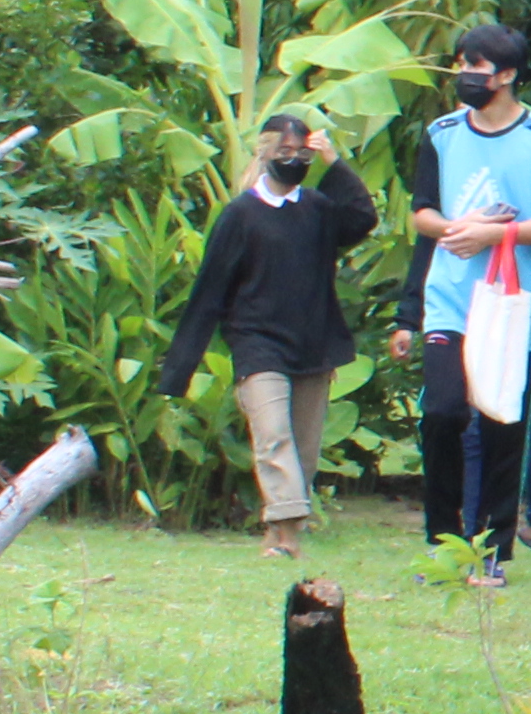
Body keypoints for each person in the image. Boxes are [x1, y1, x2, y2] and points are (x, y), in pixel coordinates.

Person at [391, 24, 531, 578]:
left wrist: (497, 235)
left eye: (476, 66)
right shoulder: (440, 134)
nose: (464, 75)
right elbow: (421, 213)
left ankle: (491, 552)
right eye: (461, 63)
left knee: (502, 424)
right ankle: (443, 543)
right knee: (441, 414)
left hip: (513, 303)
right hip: (449, 299)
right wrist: (458, 228)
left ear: (507, 75)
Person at [154, 113, 381, 555]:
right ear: (266, 153)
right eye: (285, 152)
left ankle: (277, 531)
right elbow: (209, 292)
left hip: (312, 344)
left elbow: (361, 218)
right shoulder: (240, 215)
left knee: (304, 450)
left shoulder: (317, 208)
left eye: (302, 154)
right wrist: (178, 370)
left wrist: (334, 162)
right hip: (258, 345)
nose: (294, 160)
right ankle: (288, 536)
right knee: (273, 436)